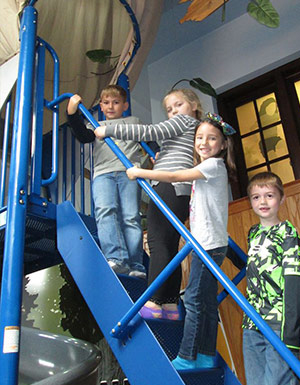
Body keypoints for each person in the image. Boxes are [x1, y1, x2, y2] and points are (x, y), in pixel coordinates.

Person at [126, 112, 236, 369]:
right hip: (211, 242)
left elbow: (176, 177)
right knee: (207, 302)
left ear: (222, 145)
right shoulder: (211, 168)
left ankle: (187, 356)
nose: (204, 143)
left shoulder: (210, 166)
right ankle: (206, 355)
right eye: (199, 137)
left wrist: (141, 172)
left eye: (212, 138)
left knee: (194, 300)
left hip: (207, 244)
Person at [95, 88, 203, 320]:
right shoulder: (194, 129)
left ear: (193, 105)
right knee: (169, 246)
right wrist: (158, 155)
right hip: (182, 192)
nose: (174, 112)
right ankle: (170, 304)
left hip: (168, 187)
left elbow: (149, 131)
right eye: (169, 109)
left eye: (179, 105)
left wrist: (109, 129)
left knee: (157, 244)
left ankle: (152, 300)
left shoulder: (184, 122)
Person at [66, 85, 146, 278]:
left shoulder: (133, 121)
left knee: (130, 217)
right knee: (105, 211)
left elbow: (147, 137)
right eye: (106, 102)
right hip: (103, 174)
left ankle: (136, 264)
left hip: (129, 173)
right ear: (101, 106)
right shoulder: (96, 124)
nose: (111, 106)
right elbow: (82, 136)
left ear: (125, 105)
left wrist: (155, 151)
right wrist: (71, 112)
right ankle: (117, 258)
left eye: (116, 102)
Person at [243, 172, 300, 385]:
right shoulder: (253, 233)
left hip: (279, 322)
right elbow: (255, 269)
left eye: (269, 195)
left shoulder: (287, 232)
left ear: (282, 199)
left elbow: (293, 279)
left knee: (277, 380)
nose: (263, 201)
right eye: (256, 197)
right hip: (252, 321)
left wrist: (291, 330)